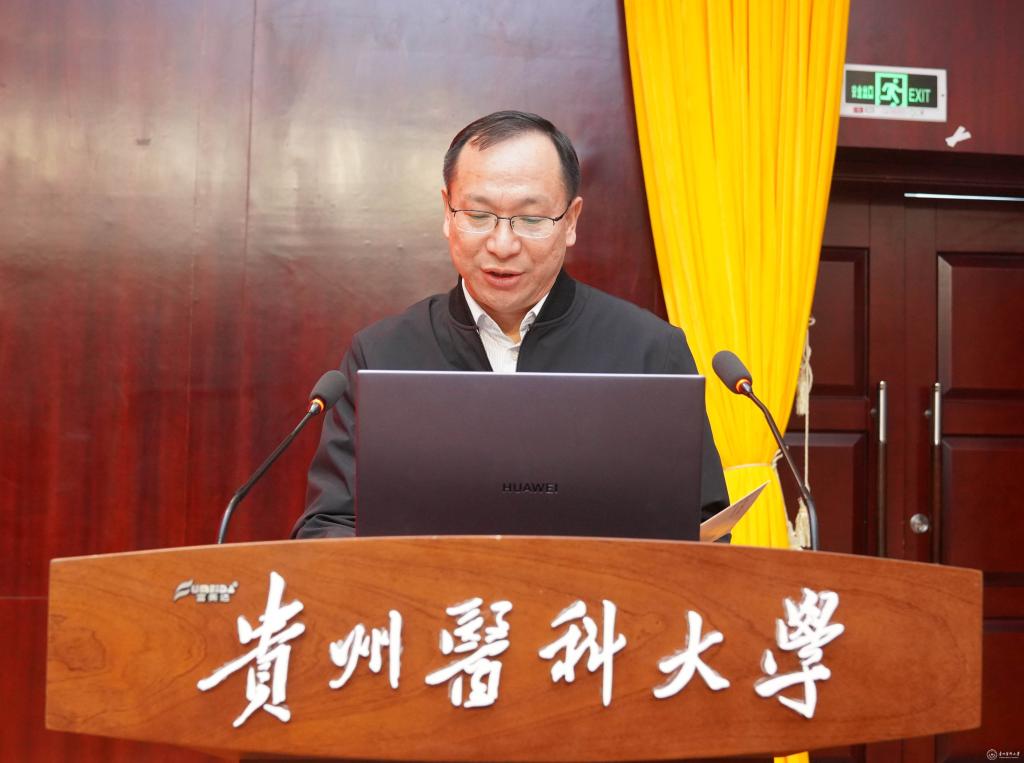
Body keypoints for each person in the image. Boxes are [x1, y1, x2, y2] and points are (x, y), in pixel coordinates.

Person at [292, 110, 728, 539]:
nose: (502, 245)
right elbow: (328, 525)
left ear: (571, 221)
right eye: (478, 215)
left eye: (531, 219)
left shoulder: (650, 351)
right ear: (447, 212)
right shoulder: (381, 355)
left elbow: (702, 528)